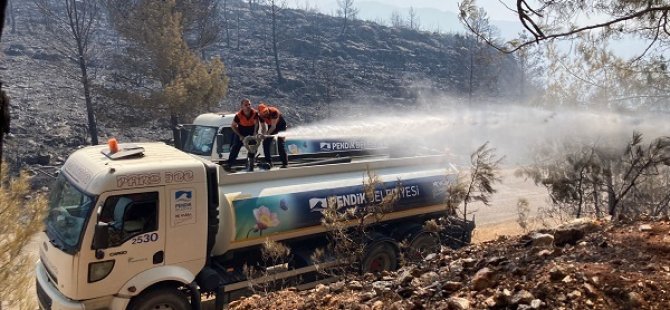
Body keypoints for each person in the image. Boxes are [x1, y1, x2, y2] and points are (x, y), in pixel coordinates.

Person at [225, 98, 259, 171]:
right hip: (241, 131)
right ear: (242, 107)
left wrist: (255, 132)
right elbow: (233, 126)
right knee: (235, 147)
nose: (248, 106)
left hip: (251, 130)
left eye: (249, 104)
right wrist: (240, 135)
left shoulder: (255, 113)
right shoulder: (238, 116)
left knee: (253, 147)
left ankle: (250, 163)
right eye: (246, 105)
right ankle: (229, 164)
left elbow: (256, 123)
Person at [257, 102, 288, 168]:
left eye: (266, 111)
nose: (265, 113)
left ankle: (285, 163)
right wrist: (264, 135)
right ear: (260, 113)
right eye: (263, 112)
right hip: (271, 126)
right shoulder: (260, 116)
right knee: (265, 143)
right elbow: (263, 127)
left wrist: (267, 134)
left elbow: (274, 126)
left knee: (280, 143)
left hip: (280, 126)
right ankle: (269, 162)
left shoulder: (274, 112)